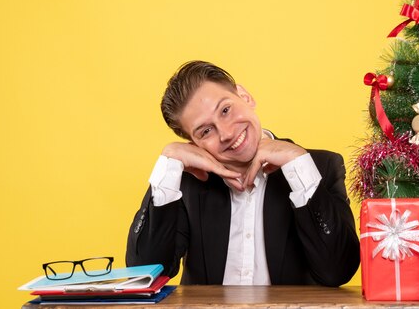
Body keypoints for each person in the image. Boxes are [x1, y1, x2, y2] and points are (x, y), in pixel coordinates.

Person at [126, 61, 360, 286]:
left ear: (245, 97)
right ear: (194, 144)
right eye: (206, 131)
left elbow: (337, 271)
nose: (226, 133)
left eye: (226, 110)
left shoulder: (318, 166)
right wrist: (168, 165)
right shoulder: (186, 182)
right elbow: (144, 276)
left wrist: (296, 163)